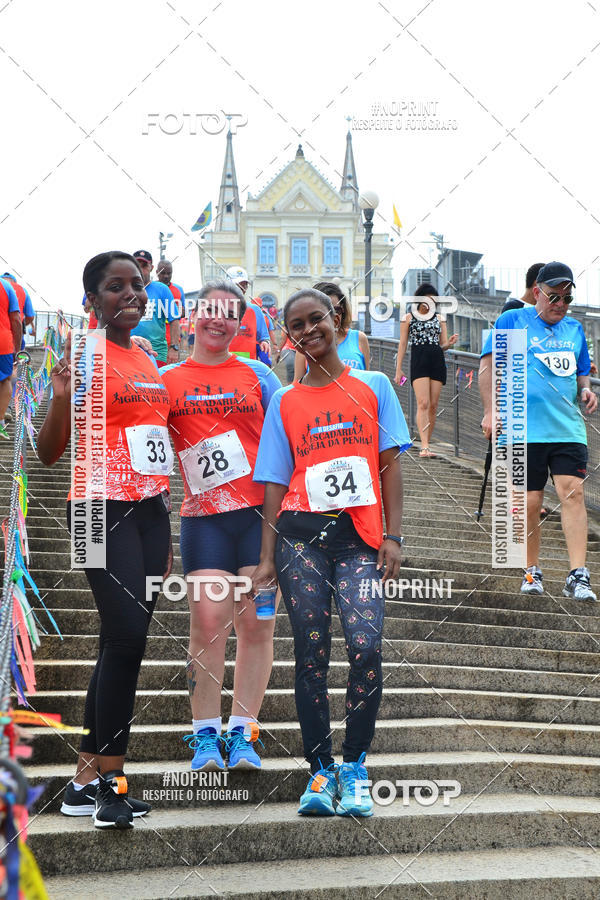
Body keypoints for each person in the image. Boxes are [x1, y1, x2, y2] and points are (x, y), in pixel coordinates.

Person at [252, 288, 410, 817]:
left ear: (336, 319)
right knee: (311, 655)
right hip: (301, 538)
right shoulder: (285, 401)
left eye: (315, 319)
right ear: (288, 335)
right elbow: (274, 480)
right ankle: (320, 772)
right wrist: (267, 555)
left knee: (365, 646)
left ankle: (356, 765)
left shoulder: (375, 386)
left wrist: (394, 535)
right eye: (295, 325)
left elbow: (389, 464)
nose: (308, 330)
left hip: (361, 540)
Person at [37, 251, 173, 829]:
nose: (131, 295)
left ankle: (83, 783)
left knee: (119, 642)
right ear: (91, 299)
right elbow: (47, 453)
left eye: (137, 286)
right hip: (95, 507)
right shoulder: (83, 354)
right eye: (115, 287)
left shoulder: (144, 354)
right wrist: (64, 396)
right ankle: (112, 785)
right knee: (126, 638)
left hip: (149, 511)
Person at [161, 279, 282, 772]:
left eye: (229, 314)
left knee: (256, 623)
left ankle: (244, 733)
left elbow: (286, 442)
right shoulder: (166, 377)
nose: (218, 320)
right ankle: (205, 735)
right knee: (209, 623)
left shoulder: (259, 375)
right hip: (203, 520)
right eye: (209, 311)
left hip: (259, 521)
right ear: (192, 316)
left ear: (240, 322)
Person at [479, 261, 598, 600]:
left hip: (566, 429)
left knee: (573, 493)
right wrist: (490, 410)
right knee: (530, 503)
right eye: (554, 297)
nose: (560, 304)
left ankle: (578, 575)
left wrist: (587, 391)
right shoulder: (512, 321)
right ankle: (531, 570)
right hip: (521, 429)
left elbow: (581, 376)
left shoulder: (574, 330)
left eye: (566, 298)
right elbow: (488, 367)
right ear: (537, 293)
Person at [394, 283, 458, 457]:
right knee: (423, 403)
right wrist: (398, 369)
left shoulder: (439, 318)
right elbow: (402, 344)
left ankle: (426, 444)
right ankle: (424, 446)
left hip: (436, 359)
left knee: (433, 406)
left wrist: (449, 343)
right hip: (418, 359)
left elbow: (442, 345)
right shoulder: (408, 318)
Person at [293, 282, 370, 379]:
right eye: (322, 312)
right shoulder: (306, 345)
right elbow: (298, 387)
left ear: (343, 311)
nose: (331, 317)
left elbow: (367, 380)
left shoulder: (359, 338)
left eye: (336, 310)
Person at [131, 250, 181, 366]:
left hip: (155, 352)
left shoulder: (162, 289)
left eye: (144, 266)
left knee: (156, 384)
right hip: (129, 350)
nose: (140, 270)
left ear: (151, 268)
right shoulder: (124, 290)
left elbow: (174, 319)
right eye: (136, 266)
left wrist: (174, 347)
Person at [225, 266, 271, 361]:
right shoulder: (216, 309)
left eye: (244, 285)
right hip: (222, 363)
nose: (242, 289)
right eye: (238, 285)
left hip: (248, 365)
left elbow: (263, 337)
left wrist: (265, 343)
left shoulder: (255, 310)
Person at [0, 276, 21, 439]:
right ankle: (0, 422)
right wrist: (18, 347)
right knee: (5, 380)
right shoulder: (6, 286)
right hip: (3, 342)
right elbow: (16, 320)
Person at [156, 259, 184, 359]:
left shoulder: (178, 289)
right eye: (163, 273)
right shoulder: (151, 289)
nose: (166, 276)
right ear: (156, 272)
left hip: (173, 340)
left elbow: (183, 312)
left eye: (169, 273)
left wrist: (174, 311)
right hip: (156, 340)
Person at [3, 272, 35, 347]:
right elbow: (30, 316)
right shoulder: (22, 290)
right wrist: (19, 325)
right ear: (14, 281)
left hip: (2, 331)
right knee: (19, 355)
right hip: (15, 334)